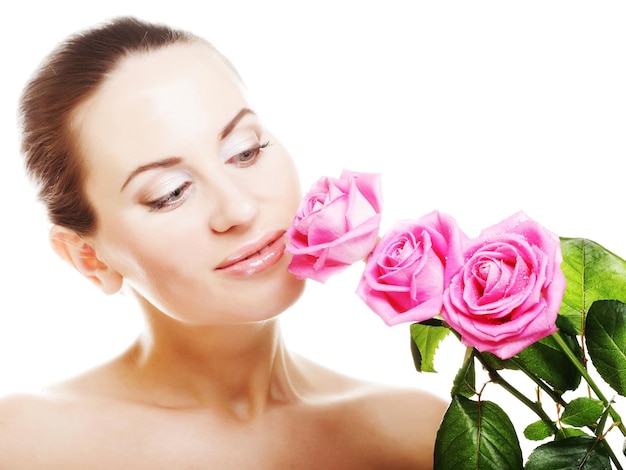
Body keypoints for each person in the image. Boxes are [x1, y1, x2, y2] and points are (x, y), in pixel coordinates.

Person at [0, 16, 447, 469]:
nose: (239, 210)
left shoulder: (421, 435)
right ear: (89, 258)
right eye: (170, 193)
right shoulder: (23, 443)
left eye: (245, 151)